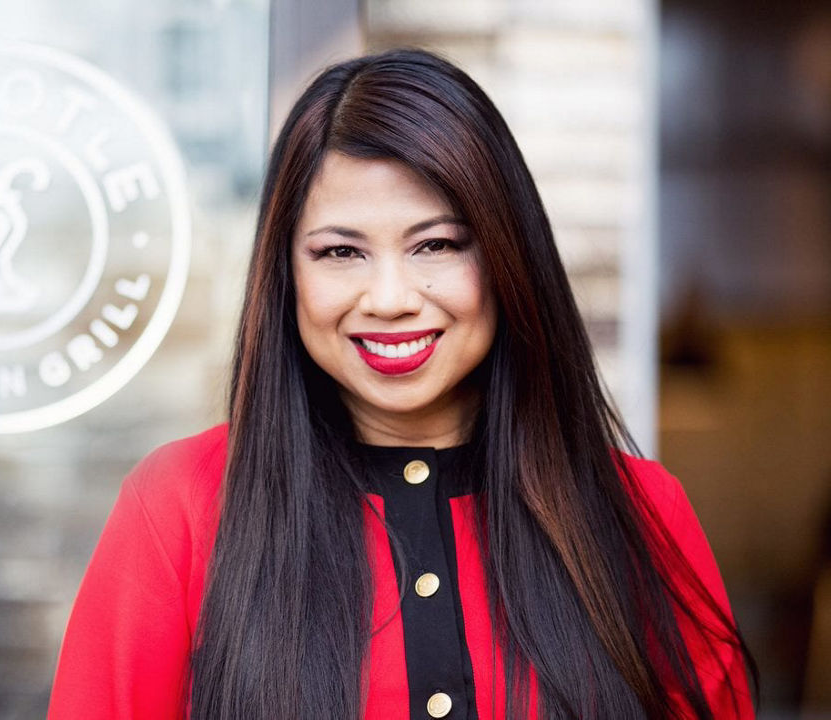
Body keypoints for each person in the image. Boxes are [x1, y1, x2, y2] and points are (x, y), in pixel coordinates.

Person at [48, 49, 755, 720]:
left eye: (437, 245)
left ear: (510, 256)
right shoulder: (181, 506)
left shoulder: (640, 514)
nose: (390, 297)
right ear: (285, 273)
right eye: (341, 252)